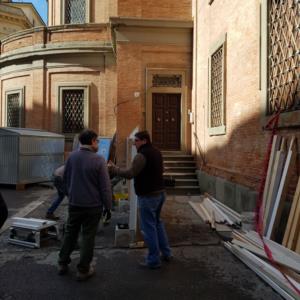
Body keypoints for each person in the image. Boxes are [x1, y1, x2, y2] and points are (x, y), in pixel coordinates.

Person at [108, 130, 172, 269]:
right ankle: (167, 253)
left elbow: (130, 174)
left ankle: (153, 260)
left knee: (148, 228)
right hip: (161, 193)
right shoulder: (157, 152)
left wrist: (114, 169)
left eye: (136, 140)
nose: (134, 143)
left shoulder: (141, 156)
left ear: (144, 140)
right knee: (157, 224)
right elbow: (162, 169)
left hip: (149, 196)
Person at [58, 129, 112, 281]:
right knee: (88, 237)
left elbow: (65, 179)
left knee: (70, 233)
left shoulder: (71, 157)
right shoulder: (99, 160)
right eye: (97, 141)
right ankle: (83, 270)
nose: (98, 144)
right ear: (93, 141)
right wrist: (108, 206)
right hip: (92, 206)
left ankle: (62, 263)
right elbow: (105, 187)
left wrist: (71, 195)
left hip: (75, 203)